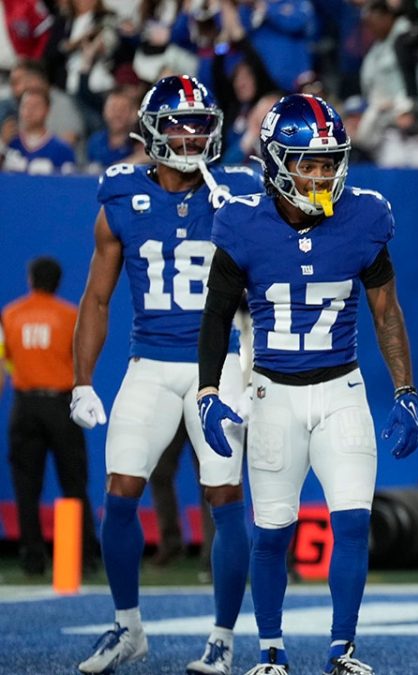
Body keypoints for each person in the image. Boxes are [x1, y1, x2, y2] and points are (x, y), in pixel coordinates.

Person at [195, 93, 418, 675]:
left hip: (341, 390)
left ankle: (341, 649)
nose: (321, 176)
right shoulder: (243, 223)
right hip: (272, 394)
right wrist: (208, 391)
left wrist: (404, 391)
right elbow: (217, 315)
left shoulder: (365, 216)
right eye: (307, 163)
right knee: (271, 532)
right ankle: (271, 652)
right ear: (274, 162)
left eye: (329, 163)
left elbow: (386, 310)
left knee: (352, 520)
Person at [71, 74, 262, 675]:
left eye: (201, 124)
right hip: (149, 362)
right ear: (150, 131)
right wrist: (82, 380)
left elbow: (267, 286)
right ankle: (128, 629)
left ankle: (224, 639)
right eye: (179, 123)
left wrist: (256, 370)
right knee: (120, 492)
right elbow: (96, 300)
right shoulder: (120, 196)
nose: (191, 135)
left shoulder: (239, 191)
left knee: (225, 496)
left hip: (220, 363)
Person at [0, 256, 100, 578]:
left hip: (24, 404)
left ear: (30, 279)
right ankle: (84, 557)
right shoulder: (70, 316)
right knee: (74, 481)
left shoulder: (10, 315)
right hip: (61, 404)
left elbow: (3, 367)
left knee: (26, 485)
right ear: (57, 283)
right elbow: (82, 359)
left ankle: (32, 557)